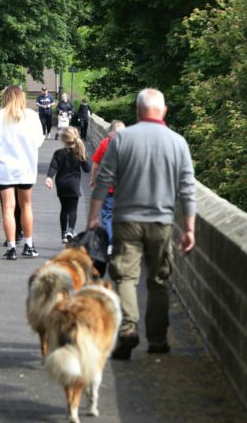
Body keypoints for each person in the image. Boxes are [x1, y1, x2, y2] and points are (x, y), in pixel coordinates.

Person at [88, 89, 196, 359]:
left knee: (125, 276)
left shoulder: (122, 138)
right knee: (158, 279)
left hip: (126, 220)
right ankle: (158, 340)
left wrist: (93, 215)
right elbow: (187, 189)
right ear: (165, 111)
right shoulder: (178, 142)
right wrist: (190, 228)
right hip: (161, 221)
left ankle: (127, 330)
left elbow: (103, 179)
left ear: (137, 112)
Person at [0, 85, 45, 259]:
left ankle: (11, 248)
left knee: (8, 207)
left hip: (5, 167)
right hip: (26, 167)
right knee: (26, 205)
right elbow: (38, 141)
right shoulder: (32, 116)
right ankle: (28, 244)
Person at [45, 127, 92, 244]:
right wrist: (84, 156)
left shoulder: (58, 153)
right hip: (73, 184)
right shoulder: (79, 152)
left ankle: (63, 235)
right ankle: (71, 230)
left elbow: (53, 167)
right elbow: (87, 169)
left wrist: (49, 178)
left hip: (61, 184)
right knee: (72, 209)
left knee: (64, 209)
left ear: (63, 139)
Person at [89, 120, 125, 248]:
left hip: (107, 187)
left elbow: (95, 165)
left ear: (111, 132)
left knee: (108, 216)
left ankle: (111, 242)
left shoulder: (106, 143)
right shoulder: (130, 144)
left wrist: (93, 181)